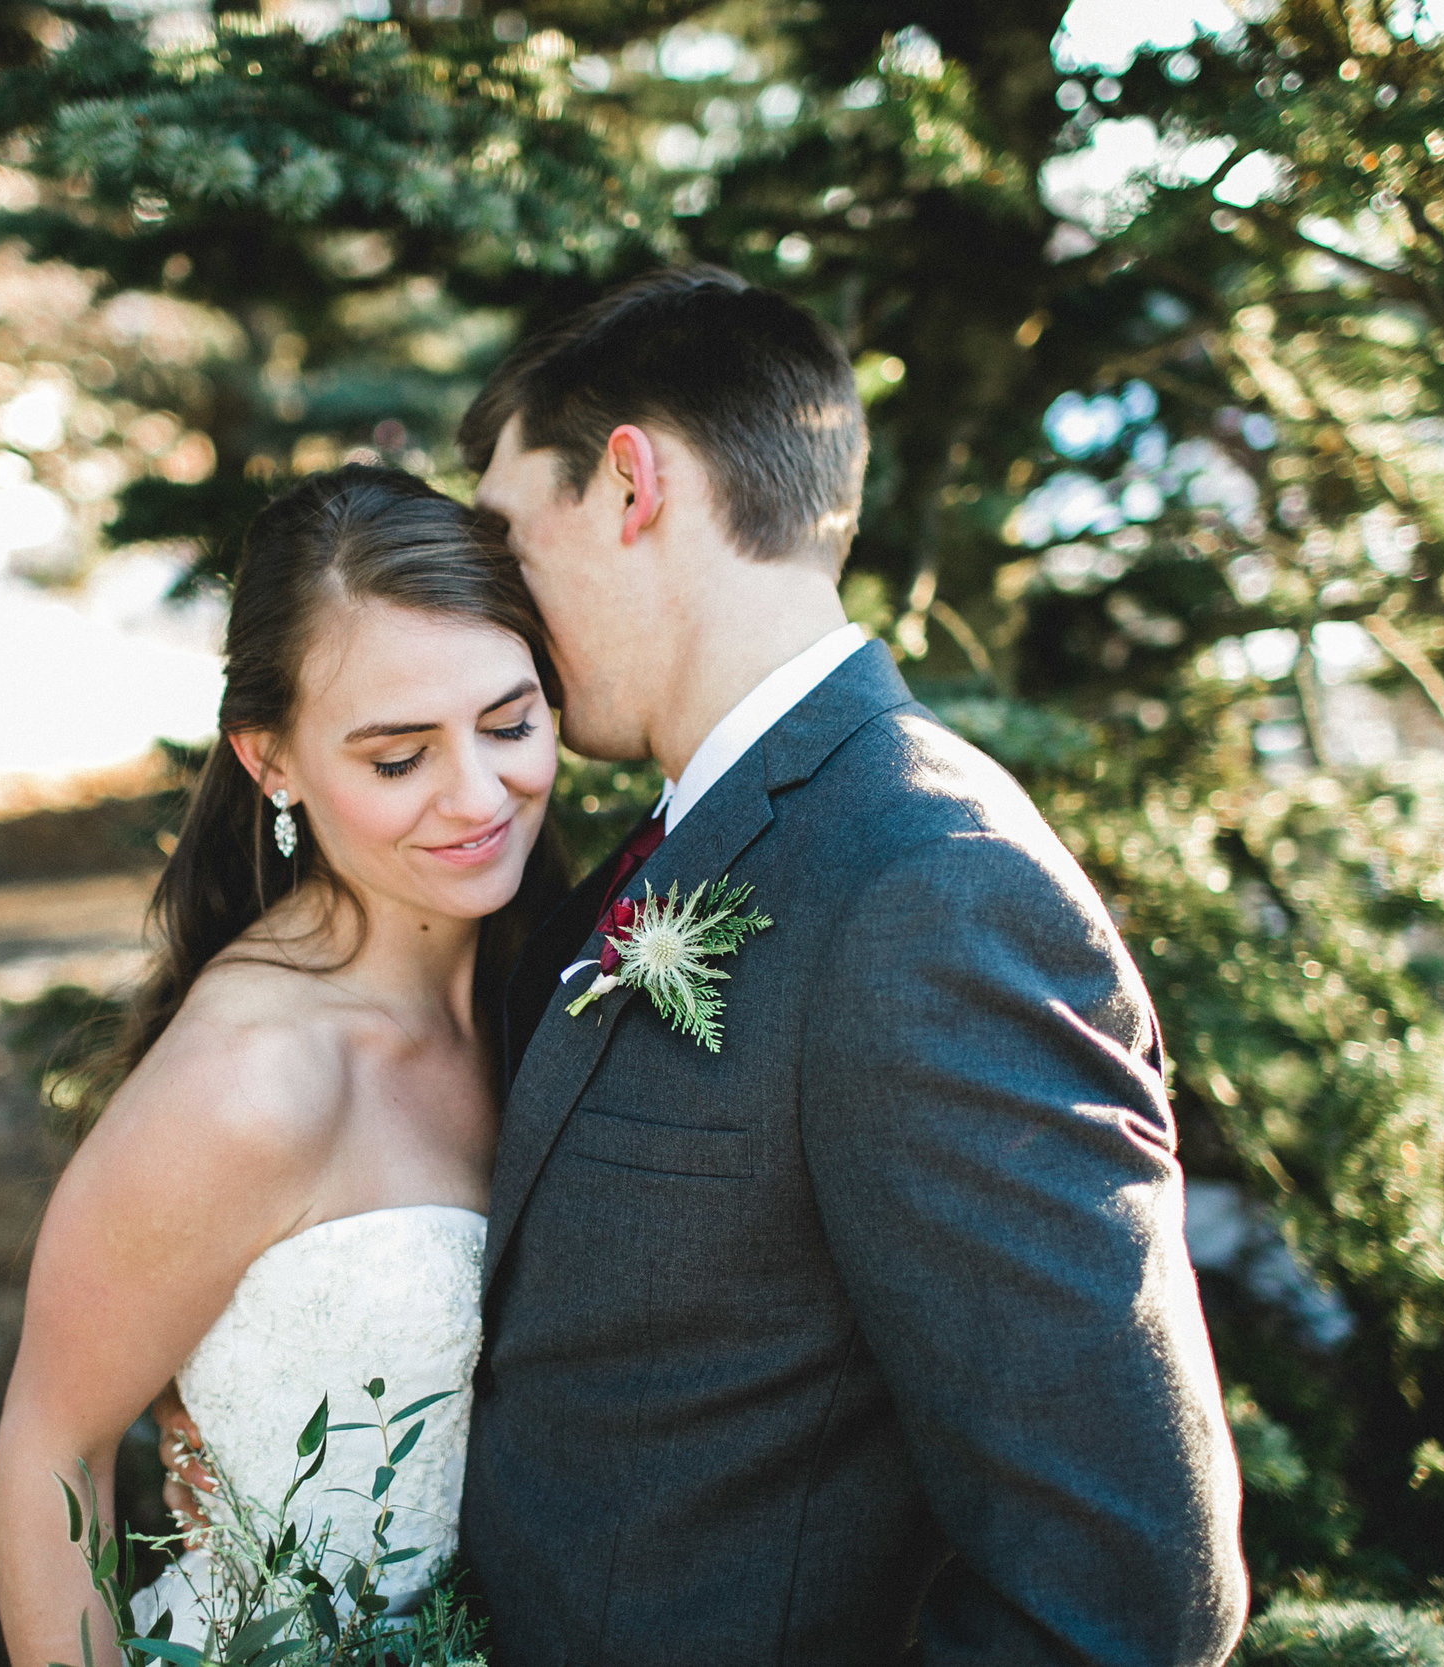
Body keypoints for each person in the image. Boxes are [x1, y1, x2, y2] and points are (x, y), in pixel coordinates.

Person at [155, 267, 1249, 1664]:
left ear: (629, 483)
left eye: (503, 530)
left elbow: (1129, 1590)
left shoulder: (929, 883)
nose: (492, 592)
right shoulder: (692, 835)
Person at [0, 466, 568, 1665]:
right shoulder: (251, 1080)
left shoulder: (550, 976)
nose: (479, 793)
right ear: (272, 762)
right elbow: (53, 1444)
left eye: (509, 723)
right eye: (397, 757)